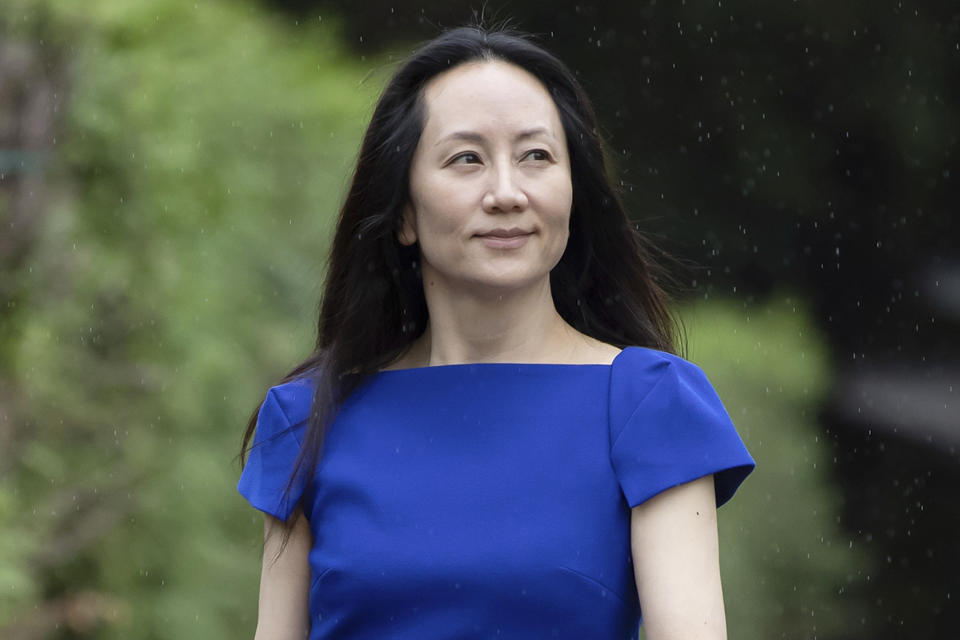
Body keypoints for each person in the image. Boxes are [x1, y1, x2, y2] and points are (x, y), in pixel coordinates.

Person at [238, 23, 754, 640]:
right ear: (403, 212)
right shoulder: (307, 419)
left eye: (536, 156)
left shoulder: (649, 405)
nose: (507, 193)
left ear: (572, 194)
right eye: (467, 159)